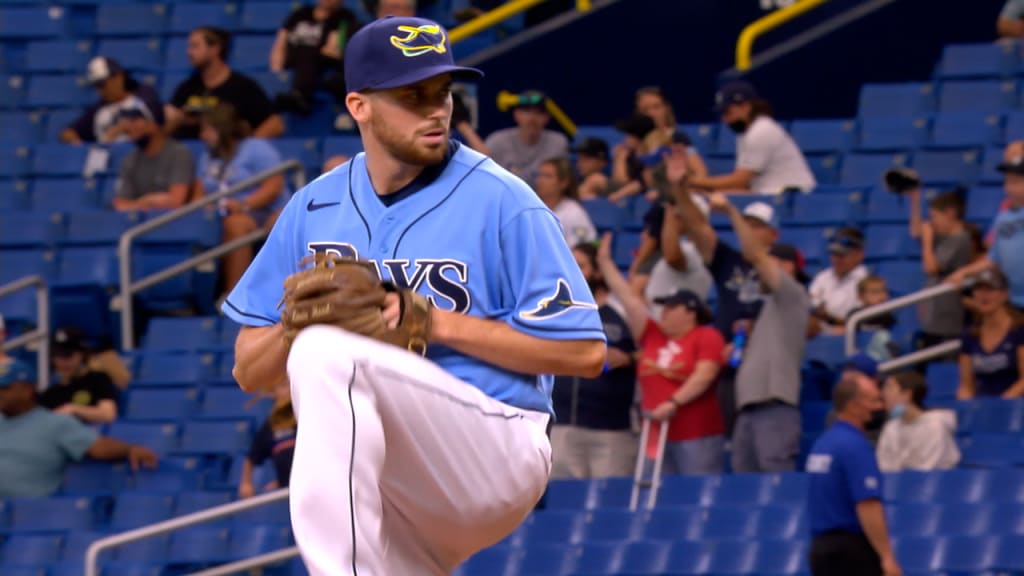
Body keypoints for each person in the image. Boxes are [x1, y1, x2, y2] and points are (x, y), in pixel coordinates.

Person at [221, 16, 605, 575]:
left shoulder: (503, 200)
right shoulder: (313, 208)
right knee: (314, 347)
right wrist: (292, 326)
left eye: (443, 92)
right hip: (395, 482)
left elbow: (584, 354)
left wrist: (436, 323)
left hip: (496, 445)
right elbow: (248, 372)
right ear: (360, 106)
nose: (436, 110)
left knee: (326, 353)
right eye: (413, 95)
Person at [597, 233, 726, 474]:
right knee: (651, 493)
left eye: (671, 307)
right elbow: (629, 300)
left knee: (692, 490)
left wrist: (673, 402)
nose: (663, 311)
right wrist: (605, 264)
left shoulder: (706, 336)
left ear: (691, 312)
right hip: (654, 432)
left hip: (695, 433)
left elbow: (704, 375)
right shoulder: (652, 334)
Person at [710, 191, 809, 473]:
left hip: (774, 409)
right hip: (748, 409)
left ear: (790, 269)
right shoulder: (766, 312)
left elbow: (754, 254)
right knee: (744, 490)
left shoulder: (793, 295)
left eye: (777, 263)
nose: (767, 269)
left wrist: (731, 211)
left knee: (775, 486)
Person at [0, 360, 158, 498]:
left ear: (27, 390)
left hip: (25, 514)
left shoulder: (54, 423)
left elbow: (97, 447)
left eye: (4, 388)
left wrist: (129, 449)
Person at [550, 243, 637, 479]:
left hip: (611, 429)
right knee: (562, 502)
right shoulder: (554, 312)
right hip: (562, 425)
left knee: (609, 503)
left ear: (598, 272)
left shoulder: (622, 311)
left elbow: (653, 348)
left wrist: (628, 358)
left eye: (581, 266)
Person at [806, 374, 902, 576]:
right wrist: (886, 556)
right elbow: (867, 504)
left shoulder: (822, 444)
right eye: (874, 401)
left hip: (821, 550)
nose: (880, 407)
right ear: (853, 406)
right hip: (851, 553)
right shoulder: (855, 446)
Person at [195, 103, 287, 295]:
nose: (202, 136)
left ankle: (236, 296)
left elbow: (273, 186)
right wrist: (206, 208)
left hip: (263, 212)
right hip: (221, 216)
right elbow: (199, 195)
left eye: (208, 130)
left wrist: (244, 205)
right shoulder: (206, 157)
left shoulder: (256, 147)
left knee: (237, 224)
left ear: (224, 129)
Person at [689, 81, 816, 194]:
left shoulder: (761, 131)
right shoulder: (746, 133)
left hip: (791, 194)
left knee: (713, 199)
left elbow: (740, 180)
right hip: (767, 193)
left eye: (727, 112)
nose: (724, 120)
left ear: (745, 107)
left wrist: (692, 182)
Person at [165, 27, 285, 140]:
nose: (189, 52)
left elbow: (275, 124)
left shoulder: (243, 87)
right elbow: (166, 127)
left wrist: (246, 148)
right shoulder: (187, 88)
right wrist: (175, 120)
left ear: (215, 48)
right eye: (189, 47)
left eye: (195, 46)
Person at [947, 156, 1024, 308]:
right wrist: (964, 272)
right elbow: (993, 259)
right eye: (1007, 182)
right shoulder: (1003, 218)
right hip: (1014, 303)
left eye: (1016, 182)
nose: (1009, 188)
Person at [270, 0, 358, 117]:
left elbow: (333, 49)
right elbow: (280, 43)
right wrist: (276, 74)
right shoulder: (301, 14)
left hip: (321, 62)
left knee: (308, 53)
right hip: (294, 61)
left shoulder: (345, 16)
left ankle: (300, 96)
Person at [908, 188, 971, 349]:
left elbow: (931, 268)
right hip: (933, 315)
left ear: (950, 213)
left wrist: (927, 241)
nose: (932, 222)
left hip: (947, 318)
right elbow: (916, 232)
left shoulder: (960, 238)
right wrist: (915, 201)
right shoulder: (945, 236)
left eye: (934, 216)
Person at [111, 100, 195, 212]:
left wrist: (140, 203)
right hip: (138, 225)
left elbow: (176, 201)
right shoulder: (130, 159)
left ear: (154, 124)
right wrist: (146, 202)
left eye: (134, 120)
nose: (128, 126)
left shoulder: (179, 153)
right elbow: (120, 204)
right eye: (128, 120)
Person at [60, 56, 163, 145]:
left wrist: (116, 132)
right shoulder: (100, 108)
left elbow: (149, 125)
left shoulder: (144, 97)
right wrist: (77, 143)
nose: (100, 91)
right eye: (97, 87)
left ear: (118, 77)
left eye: (103, 85)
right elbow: (68, 133)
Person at [958, 267, 1024, 399]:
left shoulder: (1020, 330)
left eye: (989, 290)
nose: (983, 295)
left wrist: (1000, 405)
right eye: (978, 290)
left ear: (1005, 295)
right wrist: (966, 404)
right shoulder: (970, 335)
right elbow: (966, 386)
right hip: (982, 408)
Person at [877, 371, 960, 472]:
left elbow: (929, 470)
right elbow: (884, 467)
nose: (882, 394)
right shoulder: (891, 427)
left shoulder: (935, 426)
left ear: (907, 394)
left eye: (889, 388)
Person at [484, 90, 570, 186]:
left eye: (539, 113)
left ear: (547, 117)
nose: (532, 118)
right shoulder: (497, 141)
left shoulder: (558, 142)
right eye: (527, 111)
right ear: (516, 114)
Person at [39, 327, 120, 425]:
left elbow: (108, 414)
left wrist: (73, 409)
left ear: (82, 354)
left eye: (67, 355)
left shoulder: (97, 380)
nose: (62, 362)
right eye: (57, 355)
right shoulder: (51, 393)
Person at [240, 380, 296, 497]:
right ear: (272, 393)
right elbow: (252, 457)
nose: (289, 390)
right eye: (283, 386)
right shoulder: (270, 427)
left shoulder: (305, 416)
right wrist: (246, 483)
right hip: (286, 493)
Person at [809, 228, 869, 335]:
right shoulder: (823, 277)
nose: (836, 259)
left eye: (842, 255)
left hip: (850, 339)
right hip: (818, 335)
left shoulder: (866, 281)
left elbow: (858, 323)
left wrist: (828, 318)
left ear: (859, 255)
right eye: (834, 254)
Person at [534, 157, 597, 246]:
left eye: (548, 176)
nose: (540, 181)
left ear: (564, 183)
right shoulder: (531, 209)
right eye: (540, 175)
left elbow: (582, 249)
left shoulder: (574, 212)